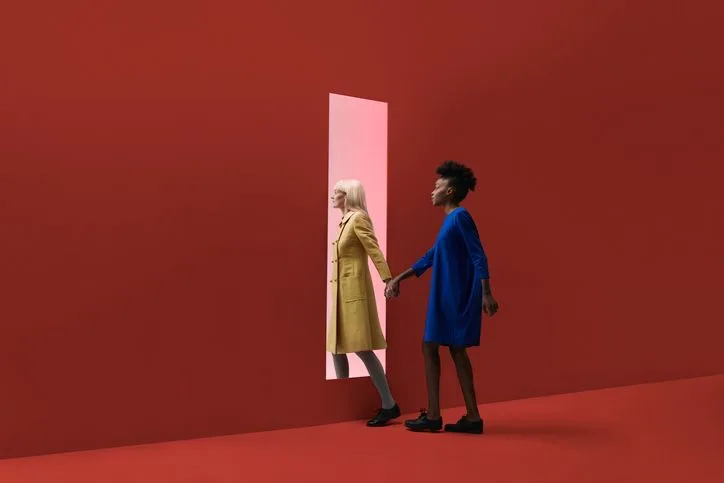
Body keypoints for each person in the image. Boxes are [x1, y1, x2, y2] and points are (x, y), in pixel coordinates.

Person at [385, 161, 500, 434]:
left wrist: (486, 293)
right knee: (445, 348)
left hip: (455, 293)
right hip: (446, 292)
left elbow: (478, 254)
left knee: (441, 347)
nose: (432, 191)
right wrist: (400, 278)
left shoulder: (460, 217)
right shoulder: (450, 221)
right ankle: (465, 417)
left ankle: (443, 415)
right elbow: (432, 256)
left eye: (438, 186)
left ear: (450, 192)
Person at [327, 179, 401, 427]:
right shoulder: (342, 222)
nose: (333, 195)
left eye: (337, 192)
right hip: (340, 294)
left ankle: (389, 404)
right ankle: (339, 404)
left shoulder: (358, 219)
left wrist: (388, 279)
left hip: (354, 292)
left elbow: (374, 250)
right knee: (336, 347)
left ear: (348, 195)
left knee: (362, 348)